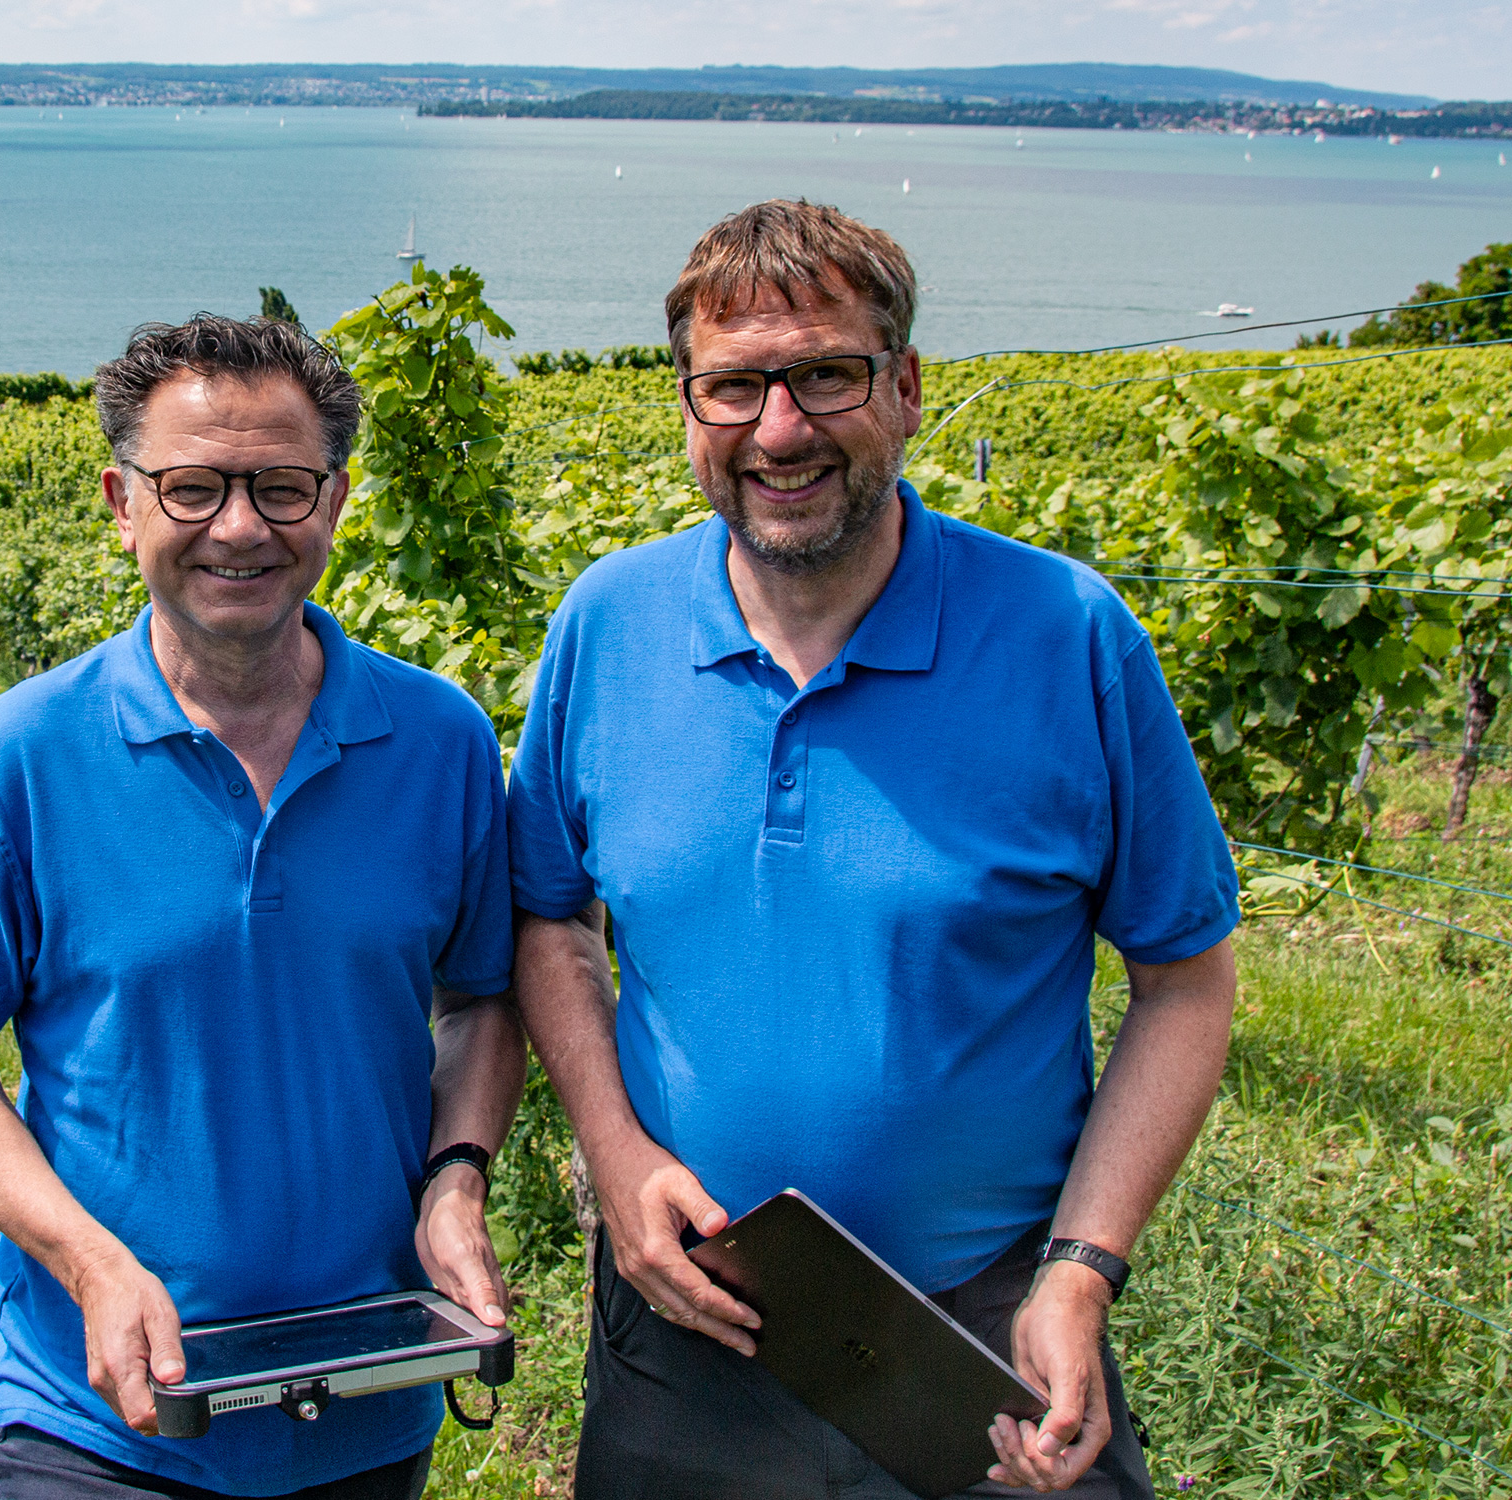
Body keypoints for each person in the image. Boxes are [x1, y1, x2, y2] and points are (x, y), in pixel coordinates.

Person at [506, 200, 1243, 1499]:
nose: (780, 429)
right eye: (735, 387)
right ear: (688, 406)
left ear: (903, 389)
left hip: (988, 1327)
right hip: (692, 1314)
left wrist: (1081, 1274)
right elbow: (550, 918)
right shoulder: (608, 625)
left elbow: (1185, 982)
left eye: (826, 376)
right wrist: (616, 1158)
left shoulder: (1067, 637)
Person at [0, 315, 522, 1500]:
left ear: (336, 501)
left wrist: (457, 1175)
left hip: (368, 1394)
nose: (239, 528)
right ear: (122, 504)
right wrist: (87, 1262)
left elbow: (481, 998)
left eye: (281, 487)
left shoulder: (440, 741)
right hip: (99, 1421)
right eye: (192, 488)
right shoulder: (22, 758)